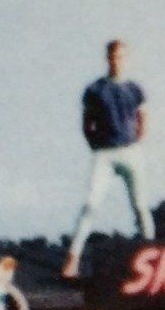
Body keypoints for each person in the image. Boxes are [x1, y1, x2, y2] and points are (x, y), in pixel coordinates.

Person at [61, 38, 153, 280]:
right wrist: (95, 143)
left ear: (127, 59)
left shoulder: (135, 89)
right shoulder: (95, 89)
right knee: (91, 204)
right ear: (107, 58)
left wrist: (137, 140)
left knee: (141, 206)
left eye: (121, 56)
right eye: (113, 56)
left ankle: (152, 258)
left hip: (130, 151)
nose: (117, 61)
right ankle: (72, 259)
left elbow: (143, 119)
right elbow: (86, 122)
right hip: (105, 153)